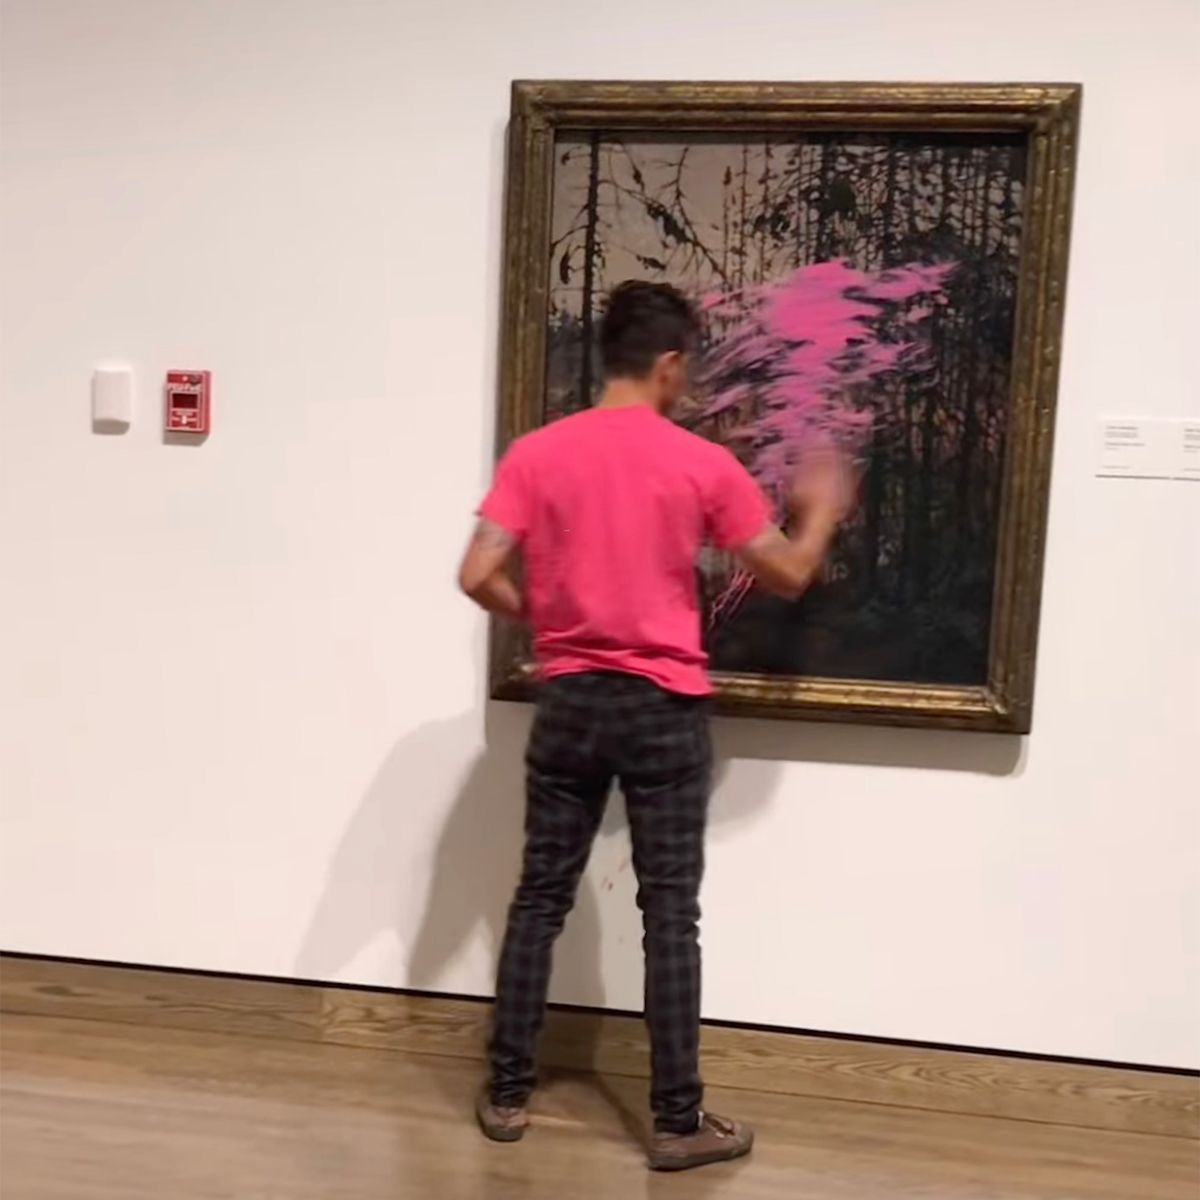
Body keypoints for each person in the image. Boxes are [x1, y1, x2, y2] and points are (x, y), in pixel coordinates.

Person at [457, 280, 852, 1172]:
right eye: (689, 367)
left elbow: (477, 572)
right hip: (663, 707)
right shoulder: (699, 464)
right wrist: (821, 508)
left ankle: (510, 1092)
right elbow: (786, 573)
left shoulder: (537, 454)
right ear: (669, 363)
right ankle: (677, 1122)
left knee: (539, 897)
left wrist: (549, 621)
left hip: (570, 697)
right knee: (670, 912)